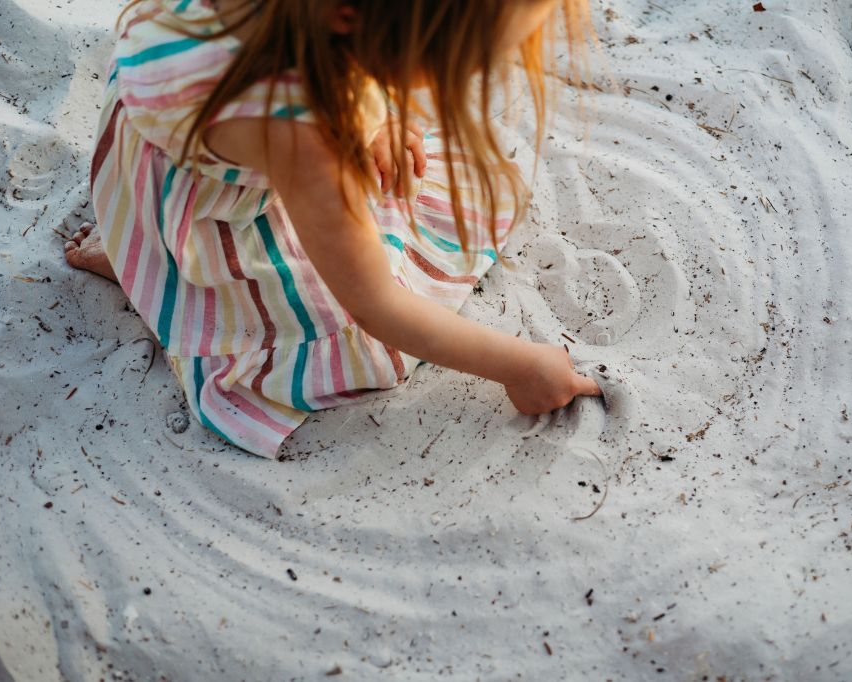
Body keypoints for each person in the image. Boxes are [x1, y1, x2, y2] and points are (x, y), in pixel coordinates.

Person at [64, 0, 601, 457]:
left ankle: (136, 252)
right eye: (456, 61)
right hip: (201, 200)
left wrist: (379, 115)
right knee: (358, 342)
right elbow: (374, 304)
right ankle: (162, 273)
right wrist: (521, 366)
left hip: (147, 146)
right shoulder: (304, 136)